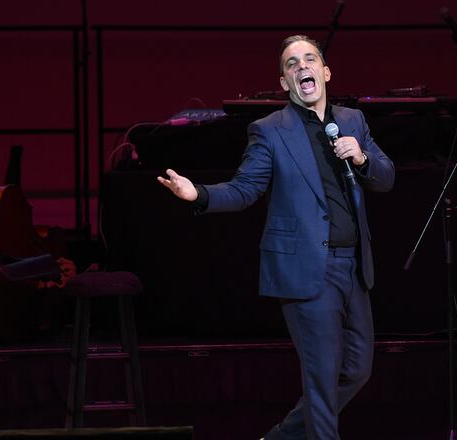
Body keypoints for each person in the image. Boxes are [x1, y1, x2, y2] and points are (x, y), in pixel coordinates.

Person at [158, 34, 395, 440]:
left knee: (357, 370)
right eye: (292, 63)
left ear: (325, 72)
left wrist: (362, 157)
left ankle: (281, 437)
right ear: (285, 82)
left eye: (310, 59)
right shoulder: (270, 130)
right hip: (306, 269)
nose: (302, 66)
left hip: (354, 267)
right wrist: (198, 194)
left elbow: (386, 178)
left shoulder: (353, 121)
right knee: (321, 380)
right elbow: (244, 189)